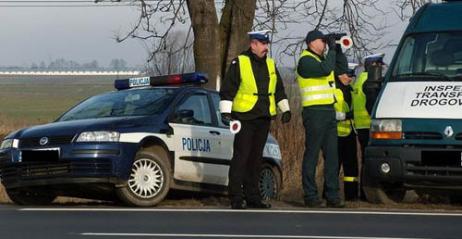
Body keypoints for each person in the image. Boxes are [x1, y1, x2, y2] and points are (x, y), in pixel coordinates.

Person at [219, 30, 291, 209]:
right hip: (244, 116)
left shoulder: (271, 64)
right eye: (263, 44)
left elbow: (279, 90)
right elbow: (228, 89)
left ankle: (253, 197)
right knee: (241, 157)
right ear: (253, 45)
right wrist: (226, 112)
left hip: (263, 116)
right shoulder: (240, 62)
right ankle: (236, 197)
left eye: (267, 44)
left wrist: (286, 109)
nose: (266, 47)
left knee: (256, 159)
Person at [296, 29, 350, 208]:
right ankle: (310, 195)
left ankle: (332, 195)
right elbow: (326, 69)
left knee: (333, 156)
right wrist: (332, 50)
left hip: (328, 112)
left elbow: (341, 69)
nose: (325, 44)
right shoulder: (306, 61)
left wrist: (339, 49)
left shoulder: (322, 58)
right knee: (312, 155)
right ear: (312, 42)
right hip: (314, 113)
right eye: (323, 41)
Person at [352, 53, 385, 200]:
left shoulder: (360, 80)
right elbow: (371, 105)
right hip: (369, 125)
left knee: (365, 159)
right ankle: (367, 193)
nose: (380, 67)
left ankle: (364, 193)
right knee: (369, 160)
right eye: (377, 65)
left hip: (361, 125)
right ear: (371, 66)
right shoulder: (370, 82)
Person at [334, 62, 358, 201]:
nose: (350, 79)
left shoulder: (351, 90)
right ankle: (329, 193)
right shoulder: (334, 90)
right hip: (336, 134)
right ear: (339, 74)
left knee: (351, 167)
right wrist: (346, 115)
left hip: (350, 132)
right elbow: (330, 114)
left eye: (351, 76)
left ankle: (351, 195)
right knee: (334, 166)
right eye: (348, 75)